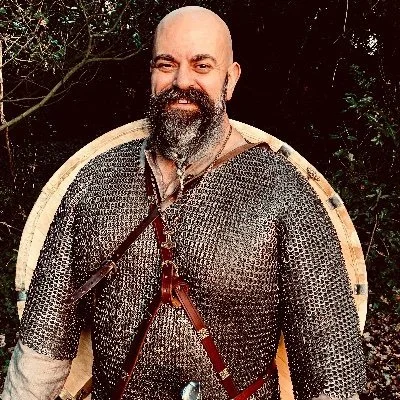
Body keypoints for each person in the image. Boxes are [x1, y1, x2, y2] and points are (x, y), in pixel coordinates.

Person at [2, 6, 365, 400]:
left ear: (230, 79)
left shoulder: (283, 193)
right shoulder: (97, 181)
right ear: (152, 74)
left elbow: (331, 371)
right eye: (167, 64)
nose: (182, 81)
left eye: (202, 65)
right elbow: (46, 334)